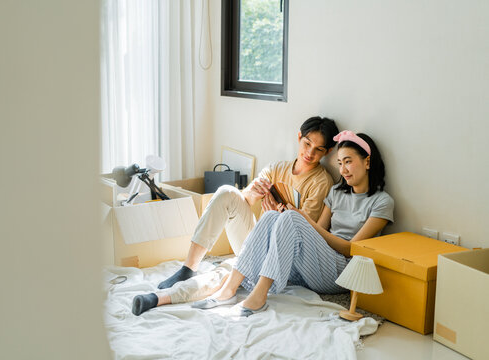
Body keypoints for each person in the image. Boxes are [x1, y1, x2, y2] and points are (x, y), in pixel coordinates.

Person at [131, 116, 340, 316]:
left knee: (228, 270)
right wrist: (252, 193)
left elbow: (303, 231)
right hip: (260, 236)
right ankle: (189, 267)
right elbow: (245, 201)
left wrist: (275, 213)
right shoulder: (278, 168)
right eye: (307, 144)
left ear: (327, 152)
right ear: (298, 138)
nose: (309, 153)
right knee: (226, 192)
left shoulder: (321, 181)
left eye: (318, 149)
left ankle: (161, 298)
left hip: (283, 256)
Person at [193, 130, 394, 316]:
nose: (343, 170)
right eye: (340, 163)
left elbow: (351, 249)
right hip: (318, 263)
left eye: (348, 162)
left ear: (367, 162)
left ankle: (259, 296)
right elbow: (321, 231)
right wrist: (295, 218)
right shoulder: (336, 193)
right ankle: (229, 288)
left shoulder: (382, 202)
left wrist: (303, 219)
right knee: (273, 216)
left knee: (291, 217)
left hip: (343, 271)